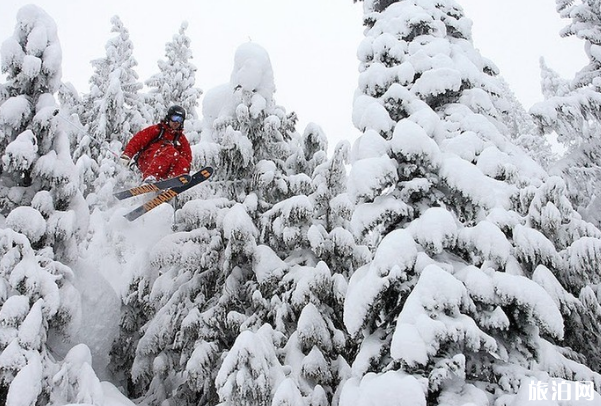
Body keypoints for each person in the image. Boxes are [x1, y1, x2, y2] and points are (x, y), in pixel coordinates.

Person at [120, 105, 192, 182]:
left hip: (164, 169)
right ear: (169, 117)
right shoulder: (158, 130)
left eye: (180, 120)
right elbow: (137, 140)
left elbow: (187, 156)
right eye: (175, 118)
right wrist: (127, 155)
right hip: (147, 161)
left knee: (182, 161)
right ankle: (150, 177)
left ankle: (173, 182)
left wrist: (185, 169)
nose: (176, 122)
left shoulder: (180, 138)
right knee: (170, 151)